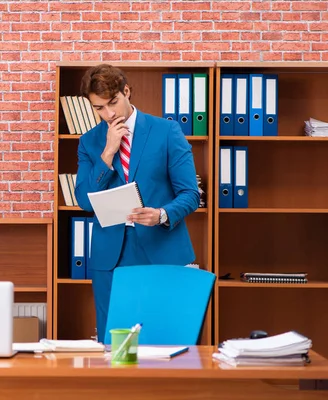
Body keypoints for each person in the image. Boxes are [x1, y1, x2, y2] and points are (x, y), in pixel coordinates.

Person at [74, 64, 200, 343]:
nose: (108, 114)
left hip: (160, 248)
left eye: (113, 103)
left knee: (165, 339)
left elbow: (191, 194)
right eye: (99, 108)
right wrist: (107, 152)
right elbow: (84, 200)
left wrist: (162, 214)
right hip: (111, 256)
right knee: (115, 344)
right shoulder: (90, 142)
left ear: (126, 91)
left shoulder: (166, 131)